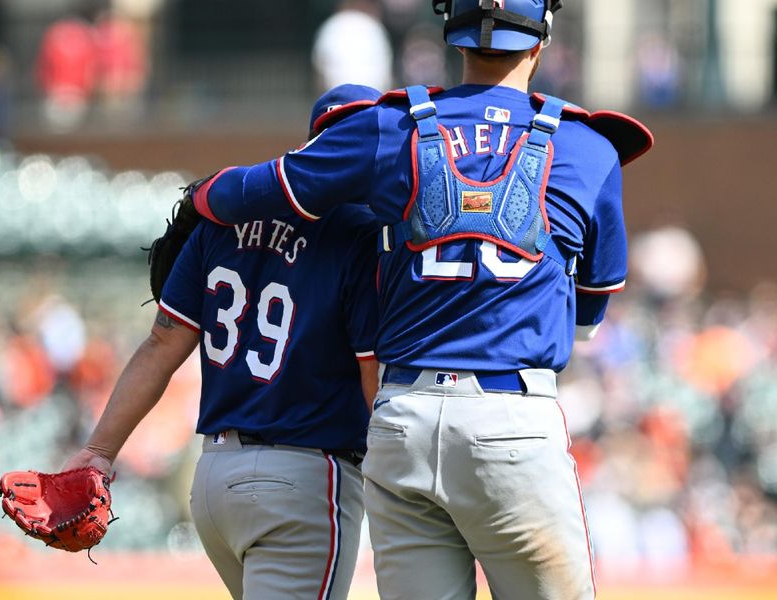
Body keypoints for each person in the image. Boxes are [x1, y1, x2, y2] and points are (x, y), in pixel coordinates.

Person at [160, 2, 655, 598]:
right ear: (542, 39)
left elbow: (270, 187)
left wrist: (200, 198)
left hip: (403, 422)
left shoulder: (391, 125)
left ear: (453, 33)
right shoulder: (588, 146)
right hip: (513, 419)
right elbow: (588, 319)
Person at [64, 84, 383, 600]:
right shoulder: (361, 230)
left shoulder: (225, 216)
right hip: (303, 480)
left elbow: (160, 347)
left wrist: (99, 450)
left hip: (215, 481)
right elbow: (373, 376)